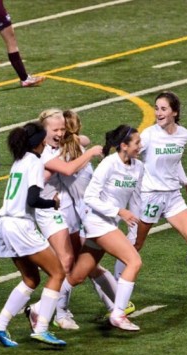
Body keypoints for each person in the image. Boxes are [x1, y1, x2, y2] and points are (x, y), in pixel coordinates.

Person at [27, 109, 128, 330]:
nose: (61, 133)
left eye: (64, 129)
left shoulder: (64, 145)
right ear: (43, 131)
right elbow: (67, 168)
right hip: (50, 211)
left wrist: (75, 140)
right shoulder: (46, 155)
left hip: (70, 210)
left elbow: (82, 139)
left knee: (84, 263)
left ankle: (118, 305)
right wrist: (89, 152)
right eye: (56, 130)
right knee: (66, 264)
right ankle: (52, 312)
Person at [114, 91, 187, 302]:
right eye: (156, 108)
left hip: (172, 196)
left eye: (163, 109)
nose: (158, 113)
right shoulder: (149, 135)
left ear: (174, 112)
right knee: (134, 246)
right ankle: (116, 287)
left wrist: (185, 180)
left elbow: (174, 161)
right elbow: (128, 156)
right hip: (149, 197)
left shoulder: (183, 134)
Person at [54, 124, 144, 331]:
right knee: (134, 262)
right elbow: (90, 197)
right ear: (123, 145)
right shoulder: (109, 164)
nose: (140, 146)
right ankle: (119, 313)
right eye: (137, 142)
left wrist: (133, 231)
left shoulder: (139, 167)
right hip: (97, 223)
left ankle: (43, 309)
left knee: (77, 276)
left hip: (109, 223)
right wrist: (119, 211)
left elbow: (136, 200)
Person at [0, 121, 66, 347]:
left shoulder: (20, 160)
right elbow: (32, 200)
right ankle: (42, 328)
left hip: (5, 224)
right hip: (21, 226)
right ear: (41, 141)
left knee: (31, 279)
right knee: (58, 273)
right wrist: (52, 202)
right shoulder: (34, 163)